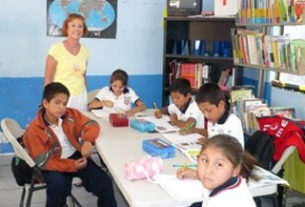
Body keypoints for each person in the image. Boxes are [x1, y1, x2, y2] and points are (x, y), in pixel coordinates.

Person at [23, 82, 117, 207]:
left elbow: (91, 124)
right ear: (45, 103)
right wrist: (72, 165)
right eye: (57, 102)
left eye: (65, 103)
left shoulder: (70, 114)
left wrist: (87, 141)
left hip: (75, 156)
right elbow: (43, 162)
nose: (62, 107)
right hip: (52, 162)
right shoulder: (34, 129)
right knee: (58, 187)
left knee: (104, 183)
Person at [177, 134, 257, 207]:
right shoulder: (234, 180)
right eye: (205, 160)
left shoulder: (223, 202)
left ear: (235, 170)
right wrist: (196, 174)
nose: (208, 170)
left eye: (219, 165)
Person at [44, 13, 90, 112]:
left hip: (81, 97)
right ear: (67, 28)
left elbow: (83, 76)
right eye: (73, 25)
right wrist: (47, 101)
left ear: (83, 30)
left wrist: (85, 95)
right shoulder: (56, 48)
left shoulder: (85, 51)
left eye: (80, 26)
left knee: (79, 125)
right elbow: (48, 78)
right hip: (61, 98)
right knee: (61, 126)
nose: (76, 29)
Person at [196, 83, 244, 147]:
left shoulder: (233, 123)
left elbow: (232, 151)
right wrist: (209, 141)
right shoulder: (211, 120)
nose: (206, 116)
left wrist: (210, 144)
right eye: (202, 112)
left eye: (209, 110)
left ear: (221, 104)